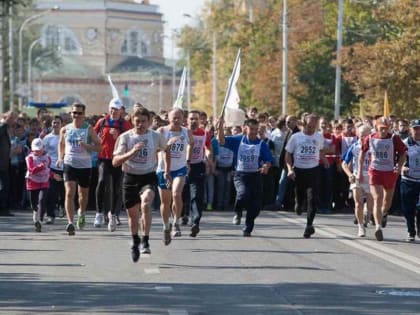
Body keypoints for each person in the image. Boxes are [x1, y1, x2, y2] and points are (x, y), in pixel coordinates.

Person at [113, 107, 169, 262]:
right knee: (133, 215)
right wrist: (132, 152)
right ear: (132, 121)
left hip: (148, 176)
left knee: (146, 203)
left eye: (144, 122)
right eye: (137, 121)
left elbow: (167, 150)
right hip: (130, 177)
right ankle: (135, 241)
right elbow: (115, 162)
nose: (141, 125)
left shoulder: (155, 136)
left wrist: (167, 170)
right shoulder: (125, 138)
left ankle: (146, 239)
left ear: (149, 122)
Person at [217, 117, 274, 237]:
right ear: (245, 128)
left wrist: (266, 166)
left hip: (255, 176)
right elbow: (221, 141)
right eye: (251, 129)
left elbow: (268, 160)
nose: (253, 132)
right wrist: (221, 127)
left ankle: (248, 228)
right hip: (241, 175)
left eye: (255, 129)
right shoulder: (238, 140)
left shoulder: (261, 144)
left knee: (256, 206)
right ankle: (238, 212)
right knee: (243, 194)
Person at [358, 116, 407, 241]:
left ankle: (383, 214)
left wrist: (399, 166)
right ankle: (378, 227)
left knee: (387, 201)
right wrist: (359, 172)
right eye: (381, 128)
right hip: (375, 171)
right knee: (377, 198)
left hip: (390, 172)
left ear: (389, 128)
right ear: (376, 128)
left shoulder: (393, 138)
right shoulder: (370, 138)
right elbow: (362, 154)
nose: (383, 131)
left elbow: (403, 154)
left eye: (386, 129)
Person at [57, 103, 102, 236]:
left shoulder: (89, 129)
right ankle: (70, 222)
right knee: (69, 192)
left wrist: (87, 146)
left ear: (83, 115)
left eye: (79, 113)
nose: (76, 115)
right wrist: (60, 157)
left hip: (84, 165)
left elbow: (100, 147)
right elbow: (61, 144)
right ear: (71, 114)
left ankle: (81, 213)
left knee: (83, 195)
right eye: (74, 113)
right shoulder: (65, 129)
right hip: (69, 163)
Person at [285, 114, 328, 238]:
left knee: (312, 198)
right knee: (300, 195)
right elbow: (288, 154)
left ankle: (309, 225)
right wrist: (289, 169)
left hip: (313, 171)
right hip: (299, 170)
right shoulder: (296, 137)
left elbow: (320, 151)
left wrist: (324, 159)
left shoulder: (319, 137)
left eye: (314, 127)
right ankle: (298, 203)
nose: (311, 129)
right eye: (309, 126)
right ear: (303, 124)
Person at [93, 98, 131, 231]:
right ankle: (99, 213)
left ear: (121, 111)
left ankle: (113, 215)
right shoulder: (102, 121)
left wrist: (119, 136)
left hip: (119, 159)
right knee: (102, 181)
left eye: (116, 109)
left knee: (116, 187)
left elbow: (130, 140)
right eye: (111, 109)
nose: (113, 111)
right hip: (104, 158)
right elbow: (92, 134)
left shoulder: (125, 124)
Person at [156, 108, 193, 243]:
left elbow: (191, 144)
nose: (177, 120)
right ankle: (166, 225)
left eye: (179, 118)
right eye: (174, 118)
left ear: (183, 119)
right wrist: (166, 145)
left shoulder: (186, 131)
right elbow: (154, 148)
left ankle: (176, 222)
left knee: (177, 194)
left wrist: (188, 160)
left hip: (180, 168)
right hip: (163, 169)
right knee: (165, 202)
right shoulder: (162, 131)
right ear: (168, 118)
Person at [342, 124, 373, 237]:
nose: (362, 138)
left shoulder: (375, 146)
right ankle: (360, 227)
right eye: (360, 136)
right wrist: (349, 174)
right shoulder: (354, 147)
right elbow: (344, 163)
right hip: (357, 177)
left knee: (369, 206)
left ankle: (367, 215)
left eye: (365, 136)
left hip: (371, 178)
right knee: (358, 204)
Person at [187, 110, 213, 237]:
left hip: (198, 166)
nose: (193, 121)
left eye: (196, 119)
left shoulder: (204, 133)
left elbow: (208, 148)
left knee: (196, 195)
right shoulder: (183, 132)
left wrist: (208, 158)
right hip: (182, 166)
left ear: (200, 120)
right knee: (181, 194)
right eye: (191, 119)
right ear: (187, 120)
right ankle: (182, 215)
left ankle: (195, 222)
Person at [400, 119, 420, 241]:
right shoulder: (404, 144)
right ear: (410, 130)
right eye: (415, 129)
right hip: (408, 180)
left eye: (419, 129)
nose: (418, 132)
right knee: (408, 209)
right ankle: (410, 232)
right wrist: (402, 167)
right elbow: (395, 159)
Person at [25, 138, 51, 232]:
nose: (38, 151)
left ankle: (39, 220)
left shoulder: (47, 157)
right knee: (34, 204)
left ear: (43, 148)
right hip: (32, 181)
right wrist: (41, 166)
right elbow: (31, 170)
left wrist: (53, 175)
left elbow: (48, 169)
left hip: (44, 181)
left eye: (39, 149)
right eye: (35, 150)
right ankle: (35, 213)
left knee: (42, 200)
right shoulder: (29, 158)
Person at [43, 115, 65, 223]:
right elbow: (44, 153)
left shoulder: (65, 136)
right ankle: (50, 215)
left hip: (65, 167)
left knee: (65, 192)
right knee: (51, 193)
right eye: (54, 123)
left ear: (62, 125)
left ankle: (63, 208)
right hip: (52, 168)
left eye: (58, 123)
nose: (55, 125)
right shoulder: (47, 138)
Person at [0, 110, 18, 216]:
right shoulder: (2, 127)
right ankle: (3, 209)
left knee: (5, 186)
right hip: (1, 163)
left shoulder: (4, 127)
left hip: (4, 163)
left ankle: (4, 208)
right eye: (12, 118)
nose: (13, 120)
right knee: (4, 186)